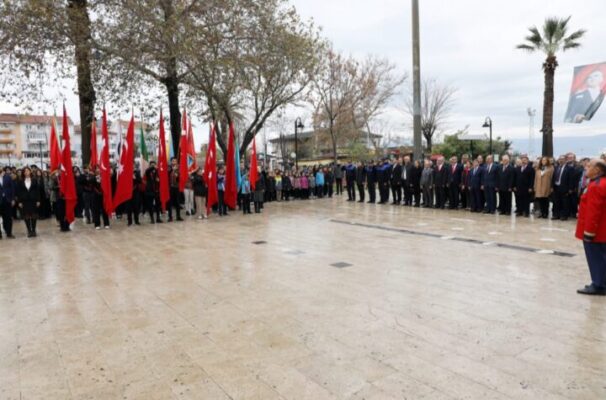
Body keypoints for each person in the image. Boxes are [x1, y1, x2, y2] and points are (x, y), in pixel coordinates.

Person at [575, 158, 606, 295]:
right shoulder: (599, 183)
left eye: (589, 166)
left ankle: (598, 285)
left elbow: (594, 212)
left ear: (598, 170)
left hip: (596, 231)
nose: (586, 168)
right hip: (601, 230)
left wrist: (589, 232)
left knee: (596, 258)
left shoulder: (596, 186)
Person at [16, 167, 40, 237]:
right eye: (25, 171)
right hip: (24, 201)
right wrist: (19, 202)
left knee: (34, 216)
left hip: (33, 200)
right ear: (23, 173)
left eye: (28, 171)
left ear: (30, 172)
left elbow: (37, 191)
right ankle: (29, 231)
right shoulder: (20, 181)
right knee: (26, 216)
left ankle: (34, 230)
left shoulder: (34, 180)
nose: (26, 172)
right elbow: (19, 192)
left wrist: (38, 200)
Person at [0, 167, 16, 239]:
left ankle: (9, 233)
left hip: (7, 200)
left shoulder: (7, 177)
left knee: (8, 218)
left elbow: (12, 188)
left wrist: (13, 199)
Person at [168, 157, 183, 222]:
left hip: (177, 187)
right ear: (171, 162)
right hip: (170, 188)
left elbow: (180, 178)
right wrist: (172, 170)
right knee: (170, 203)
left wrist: (178, 176)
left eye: (175, 161)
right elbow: (167, 175)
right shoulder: (169, 168)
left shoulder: (179, 169)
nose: (174, 162)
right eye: (173, 161)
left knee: (177, 202)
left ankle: (178, 216)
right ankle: (170, 217)